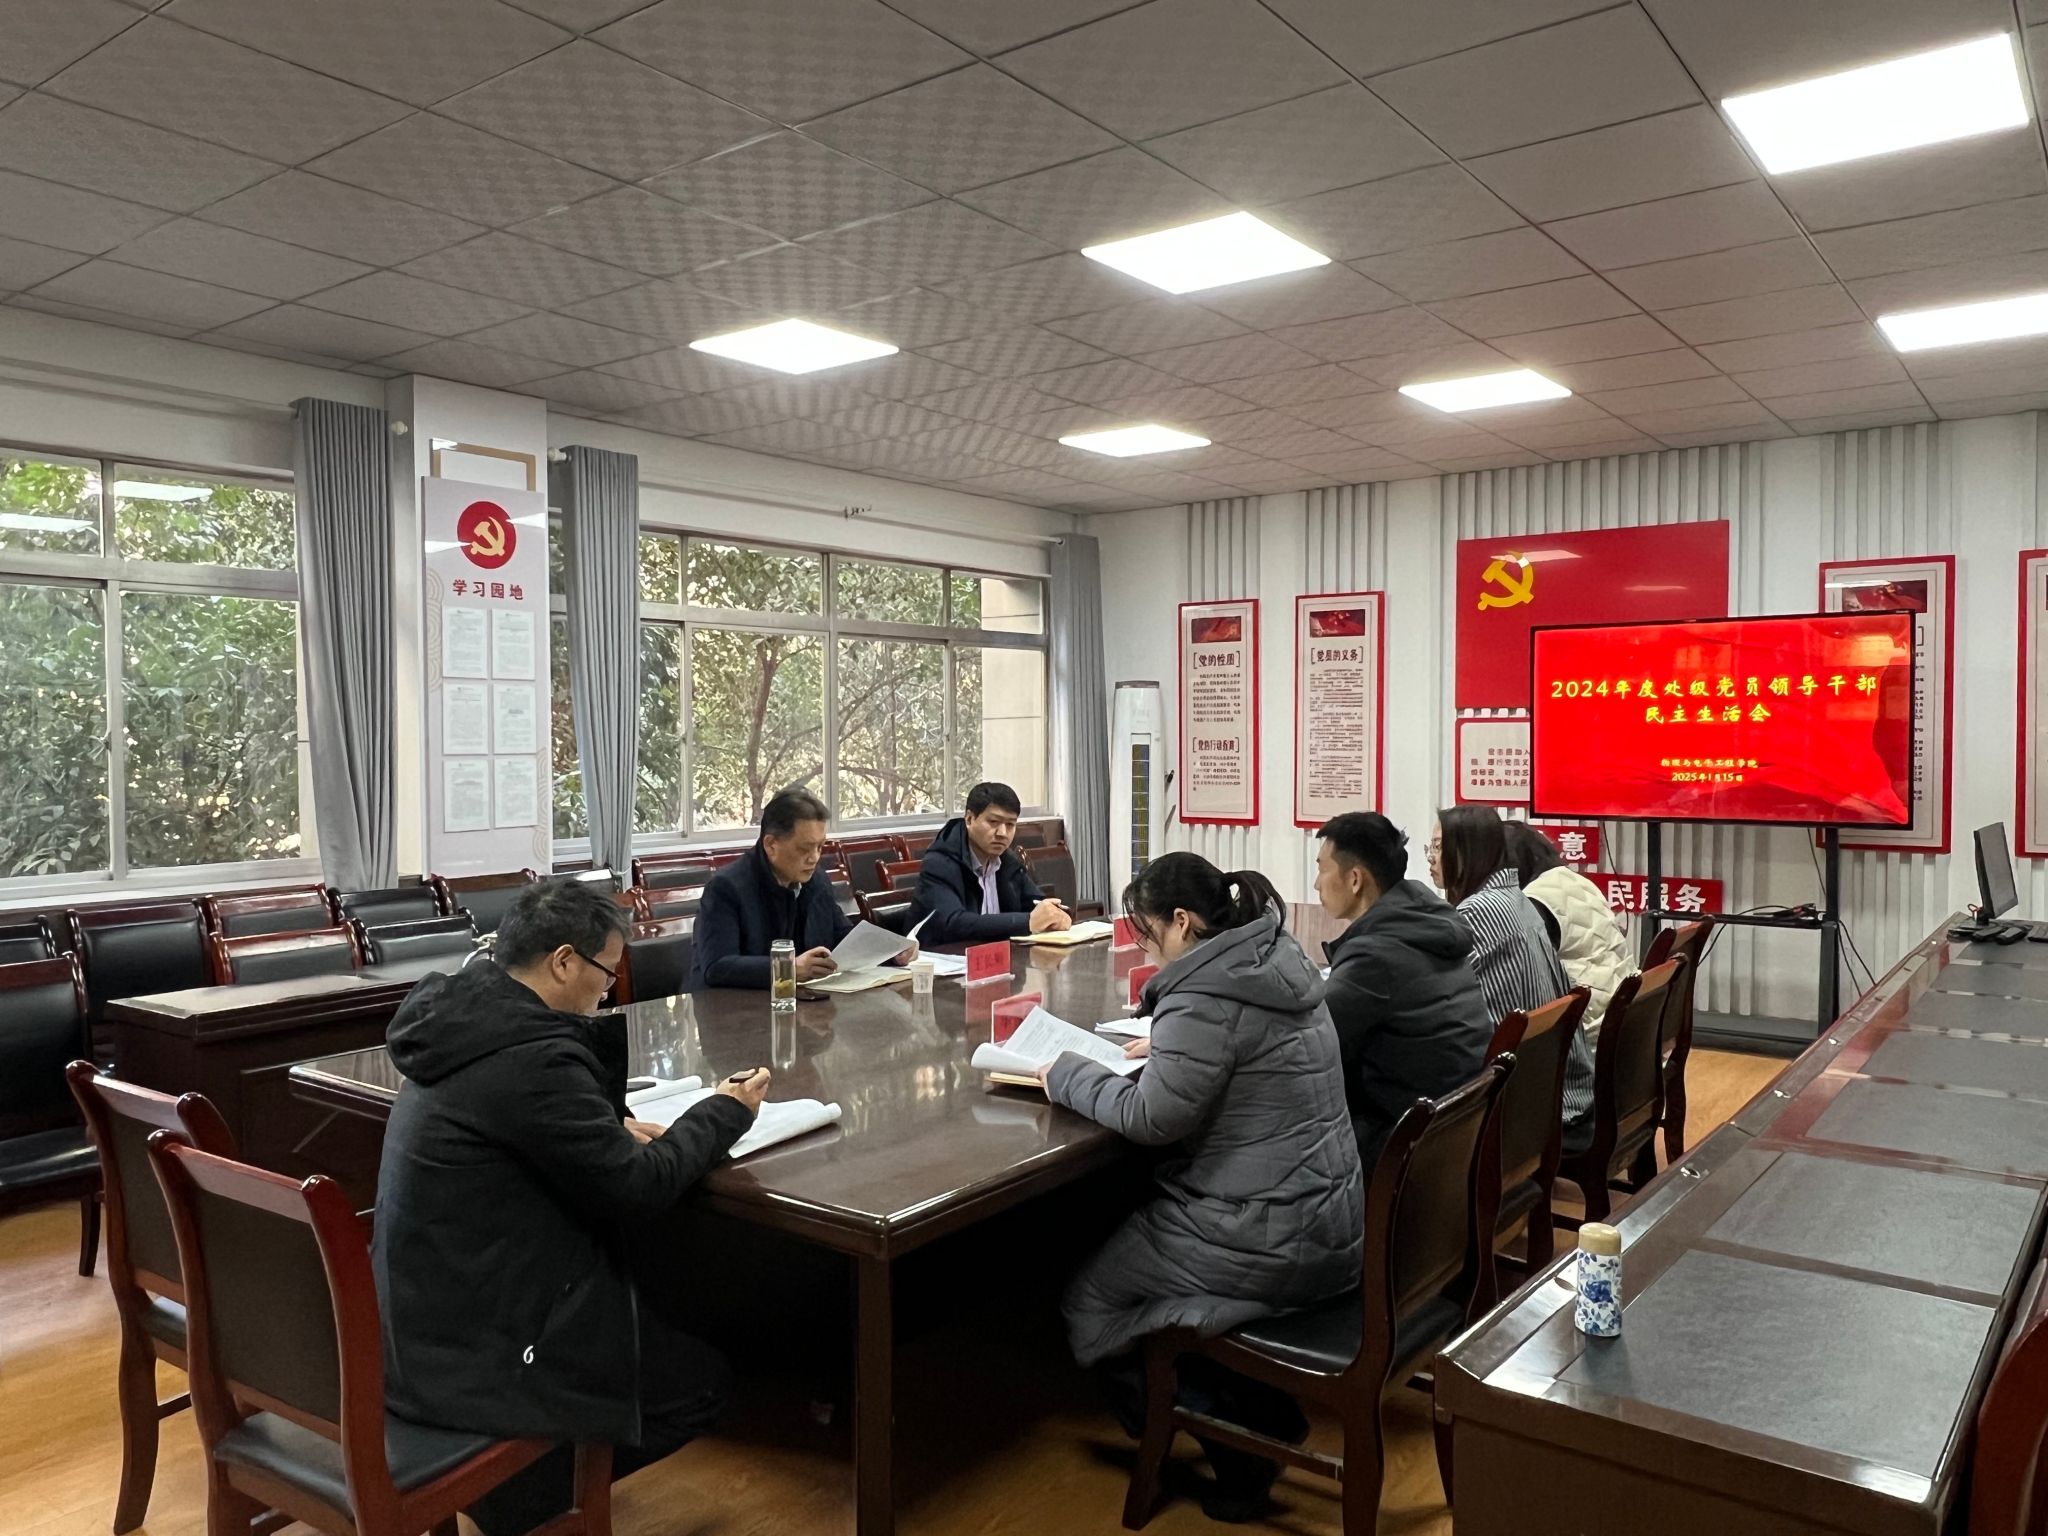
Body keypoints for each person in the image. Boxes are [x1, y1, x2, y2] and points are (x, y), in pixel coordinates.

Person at [372, 879, 773, 1536]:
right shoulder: (532, 1056)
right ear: (562, 961)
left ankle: (522, 1480)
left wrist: (603, 1125)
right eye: (606, 973)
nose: (608, 991)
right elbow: (638, 1189)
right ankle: (521, 1492)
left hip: (422, 1325)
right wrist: (724, 1111)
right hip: (488, 1350)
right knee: (702, 1385)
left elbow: (517, 1126)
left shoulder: (466, 1016)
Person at [1033, 852, 1363, 1522]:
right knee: (1130, 1230)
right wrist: (1171, 1050)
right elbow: (1245, 1053)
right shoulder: (1276, 961)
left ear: (1181, 922)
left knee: (1089, 1300)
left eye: (1147, 934)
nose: (1146, 950)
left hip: (1264, 1235)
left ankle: (1239, 1445)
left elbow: (1151, 1118)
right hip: (1331, 1220)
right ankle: (1256, 1408)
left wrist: (1063, 1073)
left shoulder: (1203, 996)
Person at [1313, 811, 1491, 1173]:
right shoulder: (1426, 921)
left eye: (1322, 869)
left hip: (1409, 1142)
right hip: (1457, 1126)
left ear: (1355, 879)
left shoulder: (1375, 955)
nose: (1317, 884)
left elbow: (1311, 1039)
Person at [1431, 805, 1595, 1153]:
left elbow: (1437, 999)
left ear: (1467, 851)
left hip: (1527, 1109)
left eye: (1439, 846)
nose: (1431, 857)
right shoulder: (1515, 898)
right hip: (1560, 1090)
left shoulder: (1478, 911)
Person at [688, 787, 914, 990]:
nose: (814, 858)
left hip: (800, 1004)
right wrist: (788, 968)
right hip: (730, 1011)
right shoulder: (726, 888)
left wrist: (892, 952)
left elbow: (843, 939)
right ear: (771, 844)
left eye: (820, 847)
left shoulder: (817, 880)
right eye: (805, 848)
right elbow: (717, 966)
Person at [1503, 822, 1633, 1039]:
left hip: (1585, 1033)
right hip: (1621, 1016)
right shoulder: (1578, 881)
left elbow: (1521, 984)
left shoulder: (1535, 901)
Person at [911, 780, 1071, 943]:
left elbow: (1034, 901)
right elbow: (953, 923)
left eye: (1010, 824)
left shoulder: (1008, 862)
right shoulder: (940, 863)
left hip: (999, 953)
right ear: (969, 819)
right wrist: (1027, 922)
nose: (1002, 833)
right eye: (993, 822)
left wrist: (1053, 914)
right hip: (946, 954)